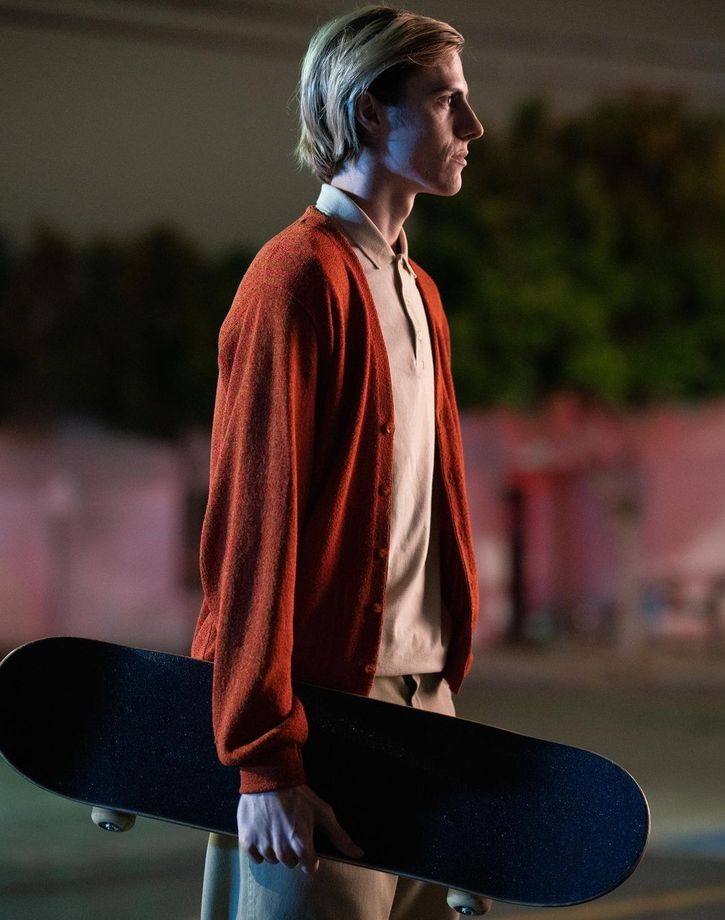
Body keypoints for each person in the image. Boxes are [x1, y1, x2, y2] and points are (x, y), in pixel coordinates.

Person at [191, 5, 485, 918]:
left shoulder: (417, 290)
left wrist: (437, 702)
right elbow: (250, 533)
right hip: (318, 722)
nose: (472, 129)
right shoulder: (296, 281)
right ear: (368, 113)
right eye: (446, 102)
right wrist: (266, 761)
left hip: (421, 712)